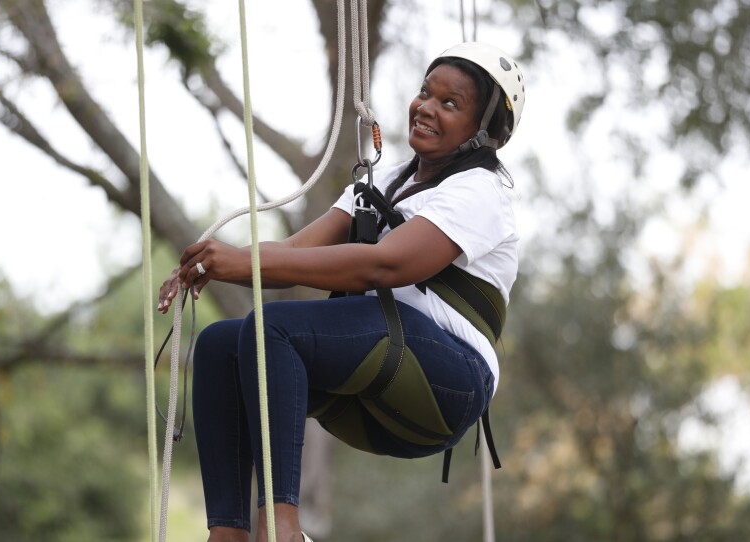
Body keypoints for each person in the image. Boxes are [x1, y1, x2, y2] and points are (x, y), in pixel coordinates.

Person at [157, 42, 525, 542]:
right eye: (424, 93)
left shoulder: (479, 191)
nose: (426, 108)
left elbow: (385, 264)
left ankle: (281, 530)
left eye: (450, 103)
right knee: (221, 345)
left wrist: (244, 260)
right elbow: (289, 257)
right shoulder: (382, 184)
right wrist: (214, 263)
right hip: (381, 378)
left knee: (272, 330)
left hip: (448, 381)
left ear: (484, 132)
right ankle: (227, 533)